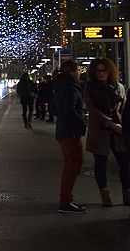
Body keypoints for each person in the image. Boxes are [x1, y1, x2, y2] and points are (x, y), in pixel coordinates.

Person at [83, 57, 128, 206]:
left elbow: (124, 107)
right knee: (101, 162)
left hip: (118, 130)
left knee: (124, 162)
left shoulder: (119, 87)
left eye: (104, 70)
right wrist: (109, 123)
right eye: (98, 71)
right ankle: (105, 195)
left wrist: (120, 123)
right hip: (101, 130)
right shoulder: (91, 88)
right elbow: (93, 110)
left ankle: (127, 193)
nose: (101, 74)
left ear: (110, 71)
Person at [52, 60, 88, 213]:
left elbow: (57, 109)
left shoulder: (60, 86)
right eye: (77, 71)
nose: (79, 73)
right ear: (73, 72)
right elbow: (70, 109)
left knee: (72, 163)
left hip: (64, 130)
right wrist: (82, 124)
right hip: (70, 131)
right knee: (73, 164)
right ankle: (65, 201)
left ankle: (67, 199)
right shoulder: (70, 88)